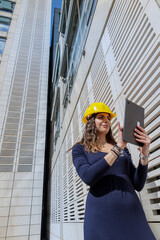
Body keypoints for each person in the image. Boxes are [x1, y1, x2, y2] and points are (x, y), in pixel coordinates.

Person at [72, 102, 156, 240]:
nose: (106, 120)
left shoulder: (122, 148)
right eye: (101, 117)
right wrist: (118, 148)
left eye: (108, 118)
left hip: (133, 212)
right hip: (101, 215)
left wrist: (144, 155)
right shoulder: (80, 149)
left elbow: (138, 184)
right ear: (90, 122)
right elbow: (88, 176)